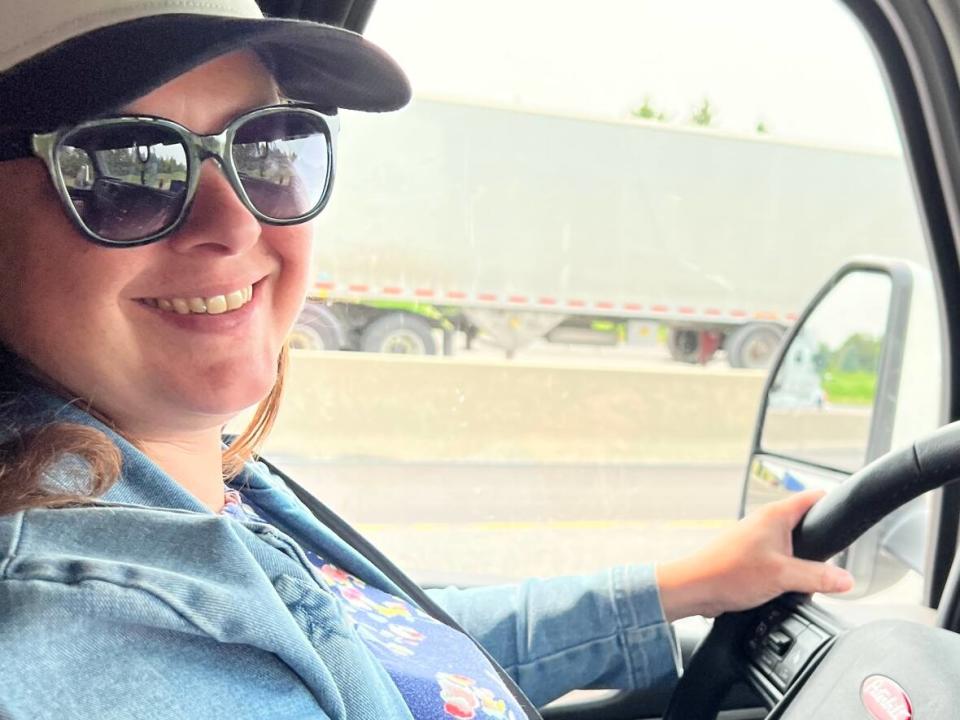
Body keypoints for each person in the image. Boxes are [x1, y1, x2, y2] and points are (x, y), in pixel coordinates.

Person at [0, 1, 854, 718]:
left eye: (266, 148)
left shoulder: (203, 490)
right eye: (123, 168)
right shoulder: (87, 624)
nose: (236, 223)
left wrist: (684, 585)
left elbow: (386, 638)